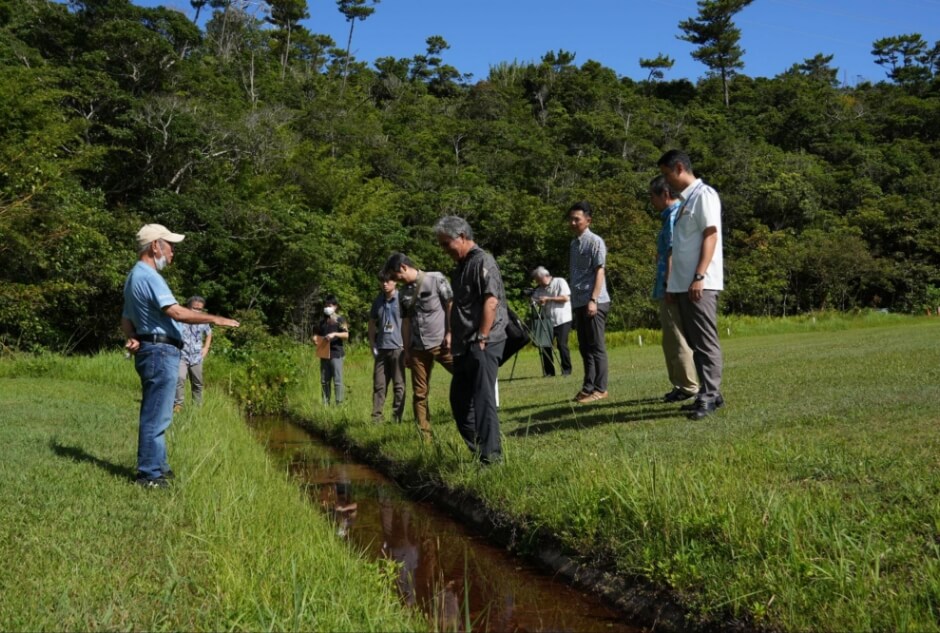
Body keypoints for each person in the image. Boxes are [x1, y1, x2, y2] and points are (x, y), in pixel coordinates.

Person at [122, 224, 239, 488]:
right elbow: (176, 312)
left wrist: (132, 337)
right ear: (155, 246)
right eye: (170, 245)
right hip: (160, 351)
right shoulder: (150, 276)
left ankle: (159, 466)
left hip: (153, 349)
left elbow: (126, 319)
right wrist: (215, 318)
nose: (173, 252)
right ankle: (149, 475)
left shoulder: (133, 277)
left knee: (160, 411)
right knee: (156, 414)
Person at [434, 216, 508, 465]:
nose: (445, 250)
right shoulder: (462, 266)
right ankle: (479, 450)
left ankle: (492, 458)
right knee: (460, 400)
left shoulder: (483, 261)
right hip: (465, 345)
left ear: (462, 236)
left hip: (484, 342)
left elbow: (491, 300)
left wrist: (483, 335)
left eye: (446, 244)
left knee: (483, 399)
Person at [658, 149, 725, 420]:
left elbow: (711, 234)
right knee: (696, 342)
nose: (666, 181)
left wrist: (699, 276)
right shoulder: (686, 201)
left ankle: (709, 395)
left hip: (700, 284)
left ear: (678, 168)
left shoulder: (704, 195)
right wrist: (674, 286)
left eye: (666, 174)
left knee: (706, 341)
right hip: (684, 285)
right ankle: (710, 393)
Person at [381, 252, 454, 441]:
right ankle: (425, 437)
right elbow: (405, 322)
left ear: (403, 268)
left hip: (442, 344)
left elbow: (450, 306)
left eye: (394, 275)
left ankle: (476, 419)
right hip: (417, 349)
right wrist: (406, 350)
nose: (394, 279)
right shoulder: (403, 293)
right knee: (419, 394)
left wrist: (450, 333)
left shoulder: (436, 279)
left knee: (466, 377)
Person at [649, 176, 699, 403]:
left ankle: (688, 385)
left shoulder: (673, 216)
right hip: (667, 286)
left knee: (677, 338)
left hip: (671, 286)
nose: (652, 201)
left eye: (653, 196)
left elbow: (671, 251)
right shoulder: (668, 217)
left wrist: (669, 284)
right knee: (670, 339)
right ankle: (680, 384)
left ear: (665, 195)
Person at [567, 201, 611, 403]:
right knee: (584, 347)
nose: (573, 222)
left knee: (596, 346)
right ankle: (588, 387)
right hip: (578, 301)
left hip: (595, 300)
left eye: (577, 219)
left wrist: (593, 299)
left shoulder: (595, 241)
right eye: (571, 219)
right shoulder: (574, 244)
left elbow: (599, 271)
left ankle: (600, 389)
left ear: (588, 220)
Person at [368, 275, 406, 423]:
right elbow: (371, 323)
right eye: (382, 281)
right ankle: (376, 418)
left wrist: (407, 345)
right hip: (381, 349)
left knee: (399, 385)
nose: (385, 284)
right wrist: (372, 343)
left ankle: (396, 418)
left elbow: (410, 322)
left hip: (398, 348)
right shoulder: (378, 301)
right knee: (379, 385)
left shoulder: (402, 299)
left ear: (395, 281)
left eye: (388, 280)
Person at [530, 266, 573, 377]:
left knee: (562, 344)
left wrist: (548, 299)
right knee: (545, 346)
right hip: (548, 320)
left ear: (545, 276)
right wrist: (537, 301)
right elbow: (534, 300)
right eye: (537, 281)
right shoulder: (539, 289)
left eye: (538, 280)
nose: (538, 283)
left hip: (562, 319)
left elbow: (565, 298)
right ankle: (549, 372)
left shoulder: (560, 282)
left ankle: (566, 370)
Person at [173, 295, 213, 412]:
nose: (197, 311)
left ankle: (197, 407)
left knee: (197, 382)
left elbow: (209, 333)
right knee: (179, 379)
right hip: (182, 354)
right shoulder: (180, 318)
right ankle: (178, 405)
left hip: (197, 356)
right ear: (188, 307)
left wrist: (206, 347)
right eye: (195, 308)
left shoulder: (203, 320)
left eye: (200, 309)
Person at [314, 295, 349, 405]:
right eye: (326, 305)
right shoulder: (322, 321)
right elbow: (316, 334)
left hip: (336, 353)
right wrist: (314, 338)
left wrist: (335, 334)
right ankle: (325, 403)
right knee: (324, 381)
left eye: (329, 305)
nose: (327, 307)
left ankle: (339, 404)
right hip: (324, 353)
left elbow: (346, 335)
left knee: (337, 381)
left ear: (335, 306)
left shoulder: (340, 319)